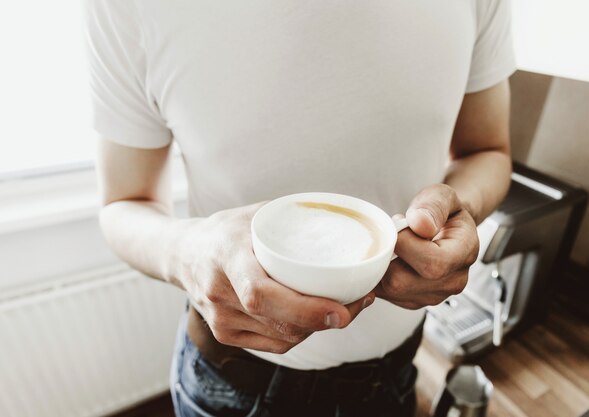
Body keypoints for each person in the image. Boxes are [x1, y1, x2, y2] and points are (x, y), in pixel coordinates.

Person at [85, 0, 515, 416]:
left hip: (395, 371)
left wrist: (463, 207)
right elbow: (124, 203)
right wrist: (187, 253)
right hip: (236, 384)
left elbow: (488, 150)